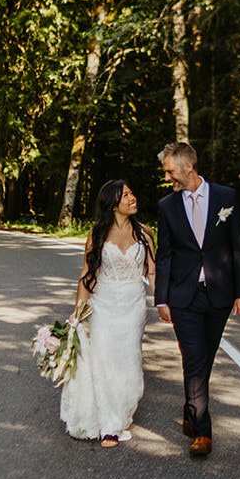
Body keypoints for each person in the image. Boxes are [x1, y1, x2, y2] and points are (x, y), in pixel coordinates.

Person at [154, 142, 240, 458]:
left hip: (220, 294)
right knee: (194, 359)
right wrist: (161, 298)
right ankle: (203, 432)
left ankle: (190, 409)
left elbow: (238, 247)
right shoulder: (167, 206)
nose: (168, 177)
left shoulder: (226, 197)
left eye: (170, 170)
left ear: (188, 166)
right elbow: (165, 255)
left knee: (204, 358)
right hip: (183, 296)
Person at [60, 179, 155, 447]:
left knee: (128, 360)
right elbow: (87, 275)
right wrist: (78, 311)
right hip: (104, 304)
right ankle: (109, 424)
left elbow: (152, 271)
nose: (132, 197)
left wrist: (163, 302)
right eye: (126, 195)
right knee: (104, 359)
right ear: (113, 204)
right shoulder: (97, 236)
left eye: (132, 192)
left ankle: (121, 412)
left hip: (134, 305)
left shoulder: (145, 234)